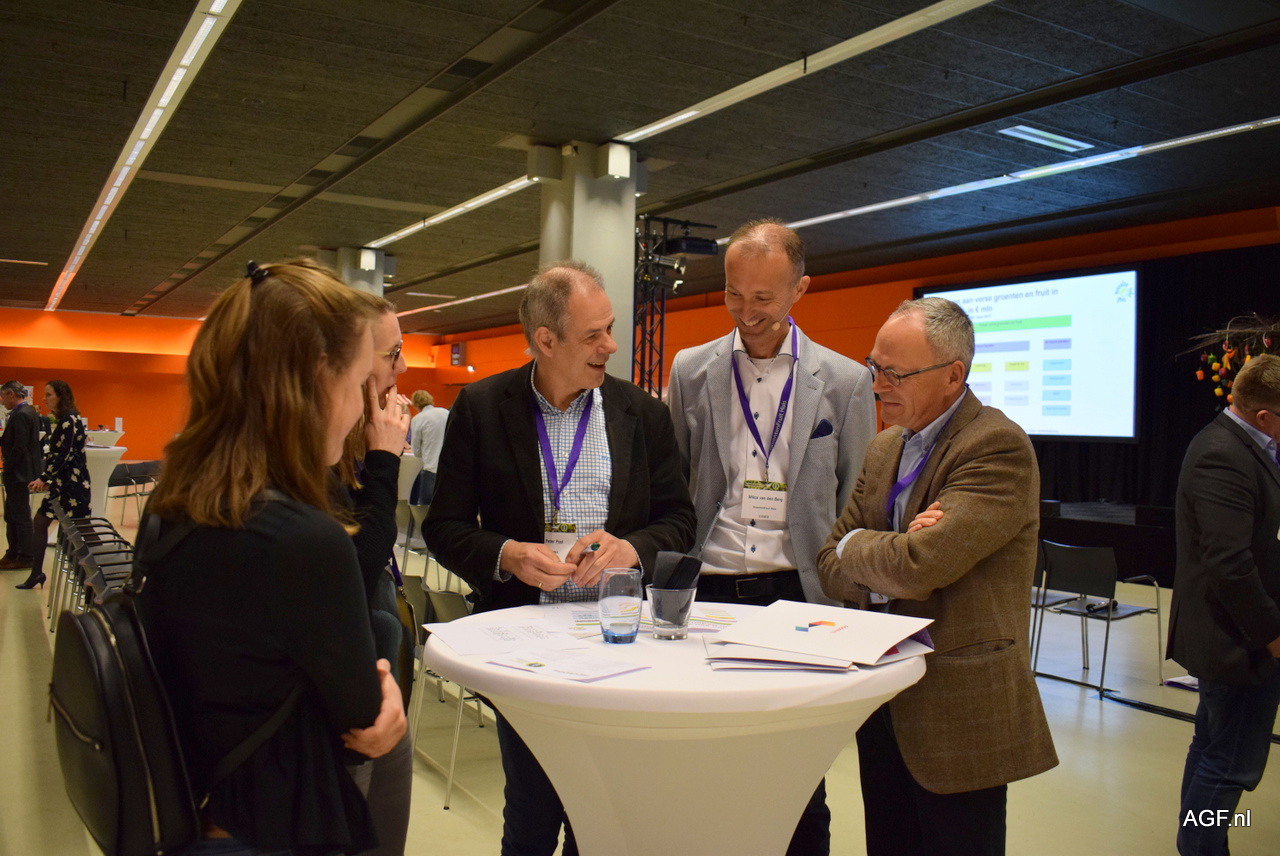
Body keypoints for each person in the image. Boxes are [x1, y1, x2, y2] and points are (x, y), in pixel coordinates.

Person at [423, 260, 695, 856]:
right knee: (531, 813)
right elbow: (443, 526)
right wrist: (507, 554)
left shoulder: (642, 415)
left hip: (619, 645)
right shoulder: (482, 407)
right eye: (594, 334)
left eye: (610, 328)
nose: (611, 346)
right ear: (546, 341)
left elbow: (680, 520)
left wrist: (631, 548)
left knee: (603, 816)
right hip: (526, 646)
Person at [138, 259, 406, 856]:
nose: (359, 409)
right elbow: (364, 718)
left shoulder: (172, 505)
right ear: (318, 379)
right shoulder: (303, 540)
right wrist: (386, 688)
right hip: (274, 825)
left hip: (191, 808)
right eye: (355, 384)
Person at [816, 297, 1057, 856]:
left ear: (953, 375)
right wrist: (889, 548)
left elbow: (922, 564)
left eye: (896, 373)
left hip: (957, 708)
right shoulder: (884, 447)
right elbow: (829, 560)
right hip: (883, 699)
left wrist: (870, 548)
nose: (878, 385)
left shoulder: (995, 446)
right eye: (874, 366)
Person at [665, 218, 876, 854]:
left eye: (763, 297)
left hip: (797, 595)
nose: (747, 312)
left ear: (799, 289)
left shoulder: (845, 381)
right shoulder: (691, 369)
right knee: (704, 763)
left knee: (796, 777)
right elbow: (675, 485)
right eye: (734, 294)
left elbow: (857, 500)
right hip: (708, 590)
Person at [1168, 353, 1280, 856]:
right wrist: (1272, 636)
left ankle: (1195, 842)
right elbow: (1229, 564)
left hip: (1232, 636)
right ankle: (1200, 845)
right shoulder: (1224, 454)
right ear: (1264, 416)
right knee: (1231, 763)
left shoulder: (1243, 444)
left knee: (1214, 747)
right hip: (1239, 642)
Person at [336, 291, 415, 856]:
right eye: (392, 354)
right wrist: (385, 462)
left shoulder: (348, 444)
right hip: (344, 719)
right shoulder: (314, 457)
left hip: (371, 678)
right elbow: (353, 569)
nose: (401, 367)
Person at [19, 380, 91, 589]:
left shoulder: (69, 419)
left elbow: (65, 454)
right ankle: (36, 573)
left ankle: (89, 583)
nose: (44, 398)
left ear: (61, 396)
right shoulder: (66, 419)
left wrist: (44, 478)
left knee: (75, 534)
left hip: (71, 487)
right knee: (42, 522)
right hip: (63, 484)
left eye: (49, 394)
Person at [1, 381, 42, 572]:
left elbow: (20, 446)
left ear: (11, 394)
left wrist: (7, 466)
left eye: (3, 397)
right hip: (20, 472)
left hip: (19, 473)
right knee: (12, 514)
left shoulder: (21, 414)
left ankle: (25, 556)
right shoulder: (26, 412)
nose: (2, 402)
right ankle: (13, 553)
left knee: (20, 515)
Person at [408, 389, 447, 505]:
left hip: (431, 469)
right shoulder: (445, 412)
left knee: (426, 506)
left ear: (415, 404)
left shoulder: (418, 419)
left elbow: (416, 451)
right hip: (449, 467)